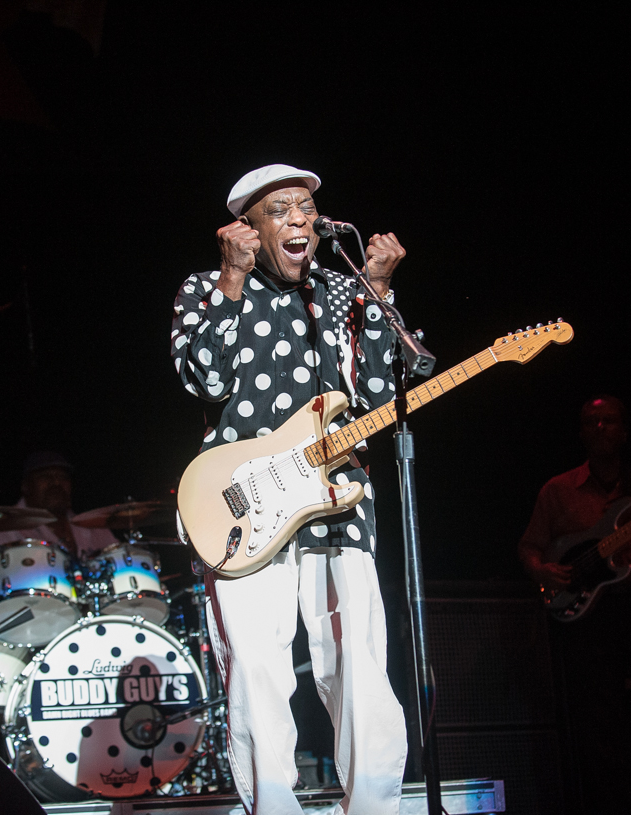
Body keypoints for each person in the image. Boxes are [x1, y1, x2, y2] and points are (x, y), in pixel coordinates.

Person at [171, 164, 409, 815]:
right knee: (256, 673)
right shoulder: (205, 288)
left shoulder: (341, 291)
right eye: (280, 210)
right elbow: (204, 380)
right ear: (245, 229)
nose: (299, 219)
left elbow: (381, 398)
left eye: (306, 207)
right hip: (240, 504)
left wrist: (378, 290)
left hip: (339, 504)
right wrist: (230, 281)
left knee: (358, 668)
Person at [518, 395, 631, 815]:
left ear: (625, 430)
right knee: (598, 725)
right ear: (581, 432)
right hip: (588, 618)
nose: (599, 428)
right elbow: (529, 546)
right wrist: (543, 570)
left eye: (608, 420)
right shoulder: (558, 489)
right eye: (590, 421)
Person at [0, 450, 117, 575]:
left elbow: (122, 564)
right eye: (45, 476)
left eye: (62, 477)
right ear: (25, 486)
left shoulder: (92, 525)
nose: (56, 483)